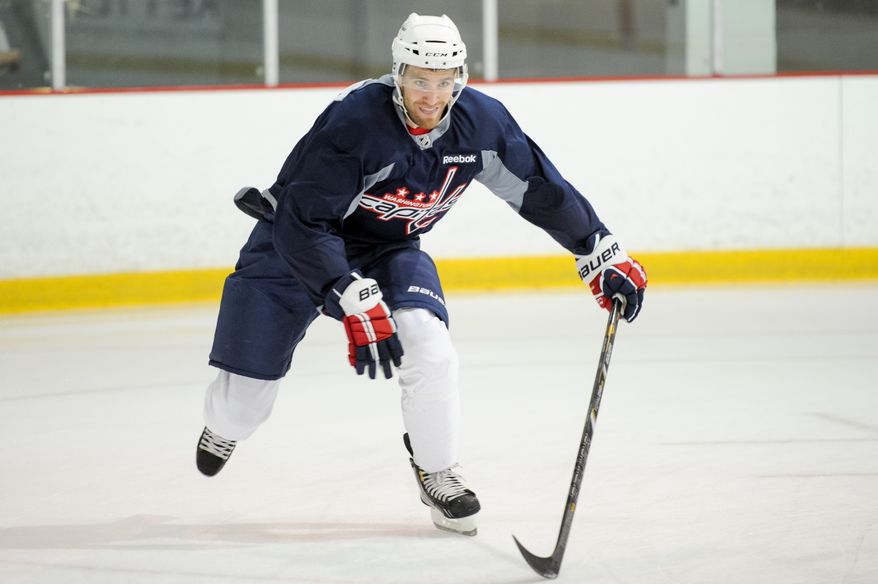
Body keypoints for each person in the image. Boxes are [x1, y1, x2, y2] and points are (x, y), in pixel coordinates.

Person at [195, 13, 647, 537]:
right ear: (397, 75)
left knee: (429, 346)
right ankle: (224, 422)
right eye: (418, 80)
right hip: (293, 247)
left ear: (461, 78)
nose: (430, 96)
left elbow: (541, 190)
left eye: (443, 81)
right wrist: (345, 293)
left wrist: (597, 249)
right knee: (241, 410)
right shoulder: (357, 123)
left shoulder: (482, 124)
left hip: (388, 249)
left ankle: (437, 471)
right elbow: (304, 223)